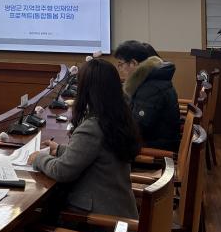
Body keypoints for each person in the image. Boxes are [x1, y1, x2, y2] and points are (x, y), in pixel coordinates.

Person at [28, 59, 140, 220]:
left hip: (100, 220)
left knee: (35, 219)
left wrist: (39, 158)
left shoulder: (93, 127)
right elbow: (96, 154)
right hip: (118, 209)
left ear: (86, 90)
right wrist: (59, 150)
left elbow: (62, 171)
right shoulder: (117, 116)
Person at [113, 40, 180, 152]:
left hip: (157, 149)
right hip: (154, 141)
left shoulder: (151, 88)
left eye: (121, 64)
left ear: (133, 63)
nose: (120, 69)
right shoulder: (150, 79)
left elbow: (136, 129)